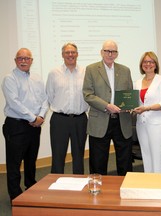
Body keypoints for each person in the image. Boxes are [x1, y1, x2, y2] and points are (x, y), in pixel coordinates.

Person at [2, 48, 48, 201]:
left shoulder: (37, 78)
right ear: (15, 61)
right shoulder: (10, 78)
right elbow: (14, 103)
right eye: (20, 58)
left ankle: (31, 186)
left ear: (31, 61)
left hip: (34, 126)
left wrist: (40, 116)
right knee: (14, 163)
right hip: (16, 126)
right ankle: (15, 195)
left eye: (27, 58)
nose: (23, 61)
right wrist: (33, 118)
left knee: (31, 160)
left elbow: (44, 99)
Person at [83, 40, 133, 176]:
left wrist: (129, 106)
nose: (110, 54)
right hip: (100, 120)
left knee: (125, 161)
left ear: (117, 54)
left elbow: (129, 93)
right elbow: (88, 94)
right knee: (98, 161)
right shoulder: (91, 69)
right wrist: (107, 106)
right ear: (101, 52)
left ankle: (125, 189)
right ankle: (98, 191)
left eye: (113, 51)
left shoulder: (125, 70)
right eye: (107, 51)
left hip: (122, 121)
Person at [46, 43, 89, 174]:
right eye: (67, 52)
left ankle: (79, 183)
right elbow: (49, 96)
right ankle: (56, 186)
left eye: (73, 52)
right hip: (60, 120)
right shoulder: (54, 73)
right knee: (58, 156)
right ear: (62, 55)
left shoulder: (85, 72)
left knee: (79, 156)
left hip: (80, 119)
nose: (70, 55)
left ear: (77, 54)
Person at [133, 51, 161, 173]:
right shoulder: (137, 82)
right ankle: (149, 184)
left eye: (151, 61)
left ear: (155, 64)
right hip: (141, 124)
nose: (148, 64)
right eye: (145, 61)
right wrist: (130, 108)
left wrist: (146, 108)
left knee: (157, 157)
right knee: (146, 156)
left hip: (157, 125)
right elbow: (135, 102)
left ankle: (160, 186)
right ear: (141, 64)